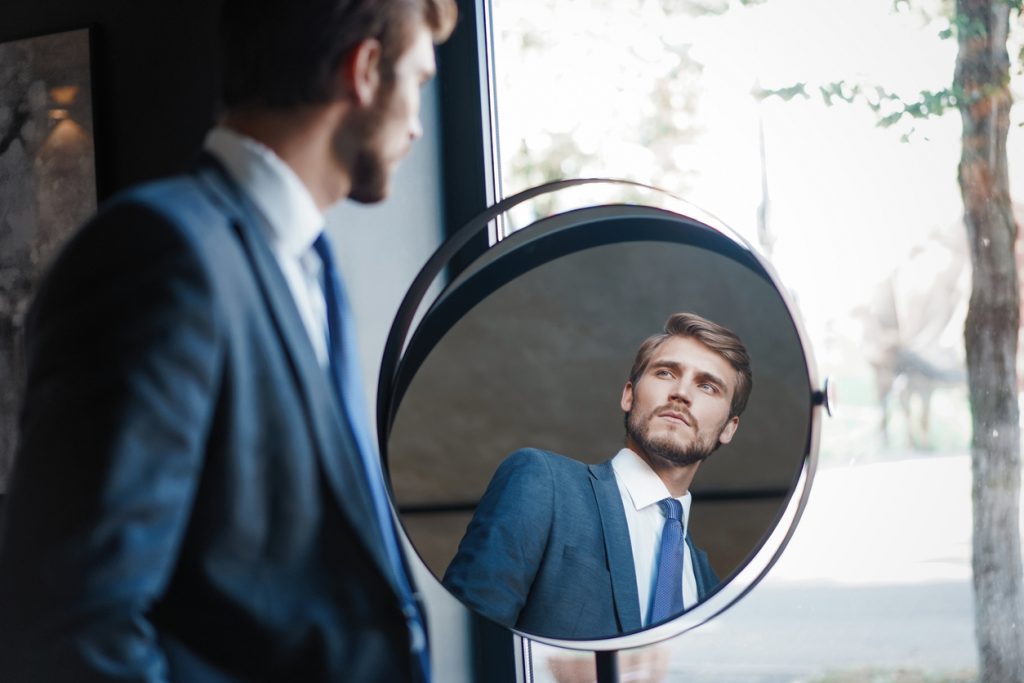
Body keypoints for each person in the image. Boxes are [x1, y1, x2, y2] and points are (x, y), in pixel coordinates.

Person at [0, 0, 456, 681]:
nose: (418, 125)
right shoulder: (156, 253)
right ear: (363, 72)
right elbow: (73, 627)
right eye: (417, 81)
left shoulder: (312, 266)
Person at [443, 312, 753, 640]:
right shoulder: (542, 483)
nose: (681, 393)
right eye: (665, 372)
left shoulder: (710, 586)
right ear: (629, 395)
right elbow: (462, 647)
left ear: (729, 428)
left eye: (707, 386)